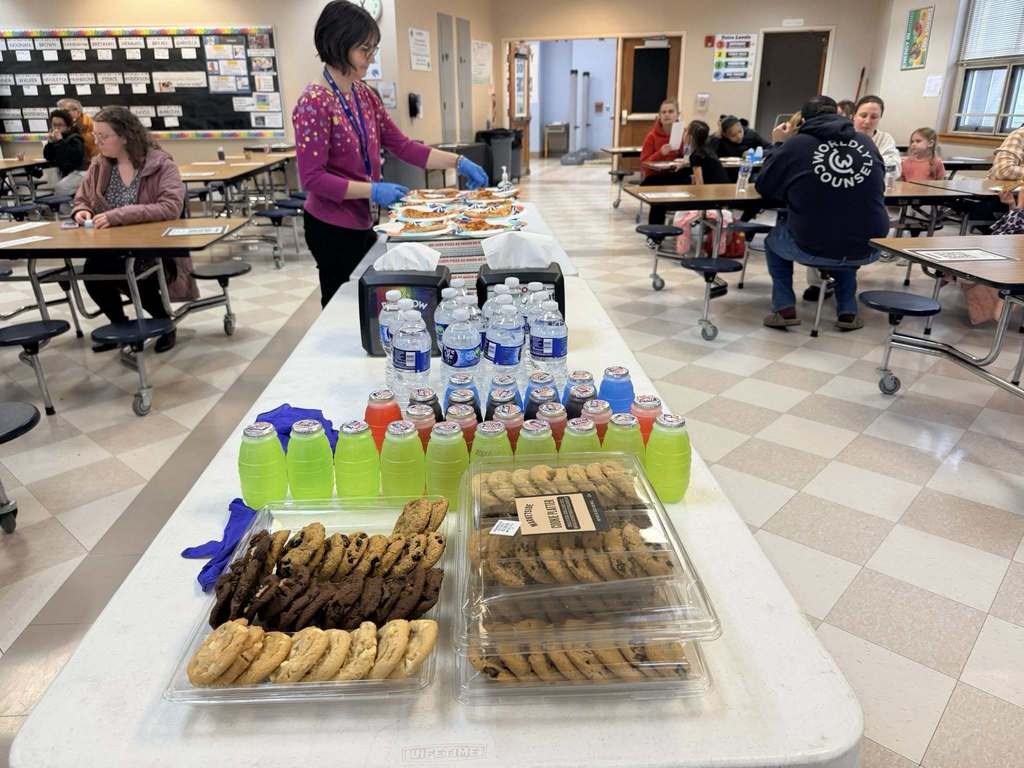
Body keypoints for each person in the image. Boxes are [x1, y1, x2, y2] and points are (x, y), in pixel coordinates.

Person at [293, 0, 488, 307]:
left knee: (369, 294)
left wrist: (458, 161)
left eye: (373, 49)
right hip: (330, 226)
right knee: (342, 304)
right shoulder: (315, 102)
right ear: (337, 44)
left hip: (361, 220)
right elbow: (312, 179)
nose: (370, 58)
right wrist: (372, 190)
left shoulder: (363, 95)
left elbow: (403, 146)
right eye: (363, 50)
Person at [755, 96, 889, 331]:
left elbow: (765, 187)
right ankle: (847, 311)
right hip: (869, 245)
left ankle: (784, 308)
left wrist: (778, 144)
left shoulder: (795, 145)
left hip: (814, 246)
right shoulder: (866, 143)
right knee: (846, 236)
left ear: (804, 120)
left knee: (774, 241)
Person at [71, 106, 185, 353]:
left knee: (133, 270)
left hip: (151, 244)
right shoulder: (99, 165)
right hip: (109, 244)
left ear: (125, 136)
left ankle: (164, 324)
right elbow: (82, 199)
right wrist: (82, 211)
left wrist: (117, 216)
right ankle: (121, 327)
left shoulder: (160, 163)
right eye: (96, 135)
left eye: (104, 136)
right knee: (93, 272)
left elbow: (170, 207)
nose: (97, 141)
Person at [42, 109, 87, 198]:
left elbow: (73, 158)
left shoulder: (75, 138)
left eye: (60, 125)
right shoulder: (59, 139)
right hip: (66, 173)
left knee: (60, 188)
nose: (56, 128)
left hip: (80, 172)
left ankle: (65, 211)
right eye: (54, 125)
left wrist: (59, 141)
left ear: (68, 126)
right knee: (60, 187)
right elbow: (48, 156)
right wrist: (50, 143)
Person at [852, 95, 901, 170]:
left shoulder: (885, 139)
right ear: (854, 116)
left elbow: (893, 168)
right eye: (863, 116)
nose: (867, 121)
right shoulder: (843, 135)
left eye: (874, 117)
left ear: (880, 118)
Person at [686, 120, 729, 185]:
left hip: (716, 191)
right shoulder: (708, 149)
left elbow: (700, 183)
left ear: (691, 137)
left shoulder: (695, 156)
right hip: (725, 186)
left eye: (686, 130)